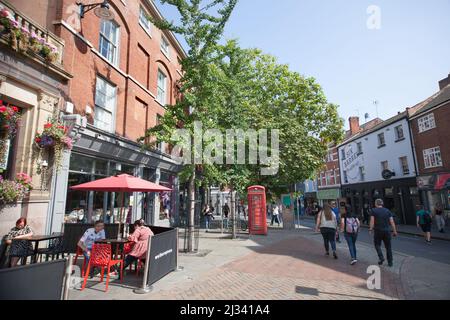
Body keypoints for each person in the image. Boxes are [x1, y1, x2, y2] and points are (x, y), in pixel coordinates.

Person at [369, 199, 398, 267]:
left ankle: (381, 257)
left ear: (376, 204)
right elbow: (392, 222)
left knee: (377, 244)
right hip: (387, 231)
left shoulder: (373, 210)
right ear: (382, 204)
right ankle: (390, 262)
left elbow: (372, 221)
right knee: (388, 247)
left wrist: (370, 229)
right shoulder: (387, 211)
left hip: (378, 231)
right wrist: (394, 231)